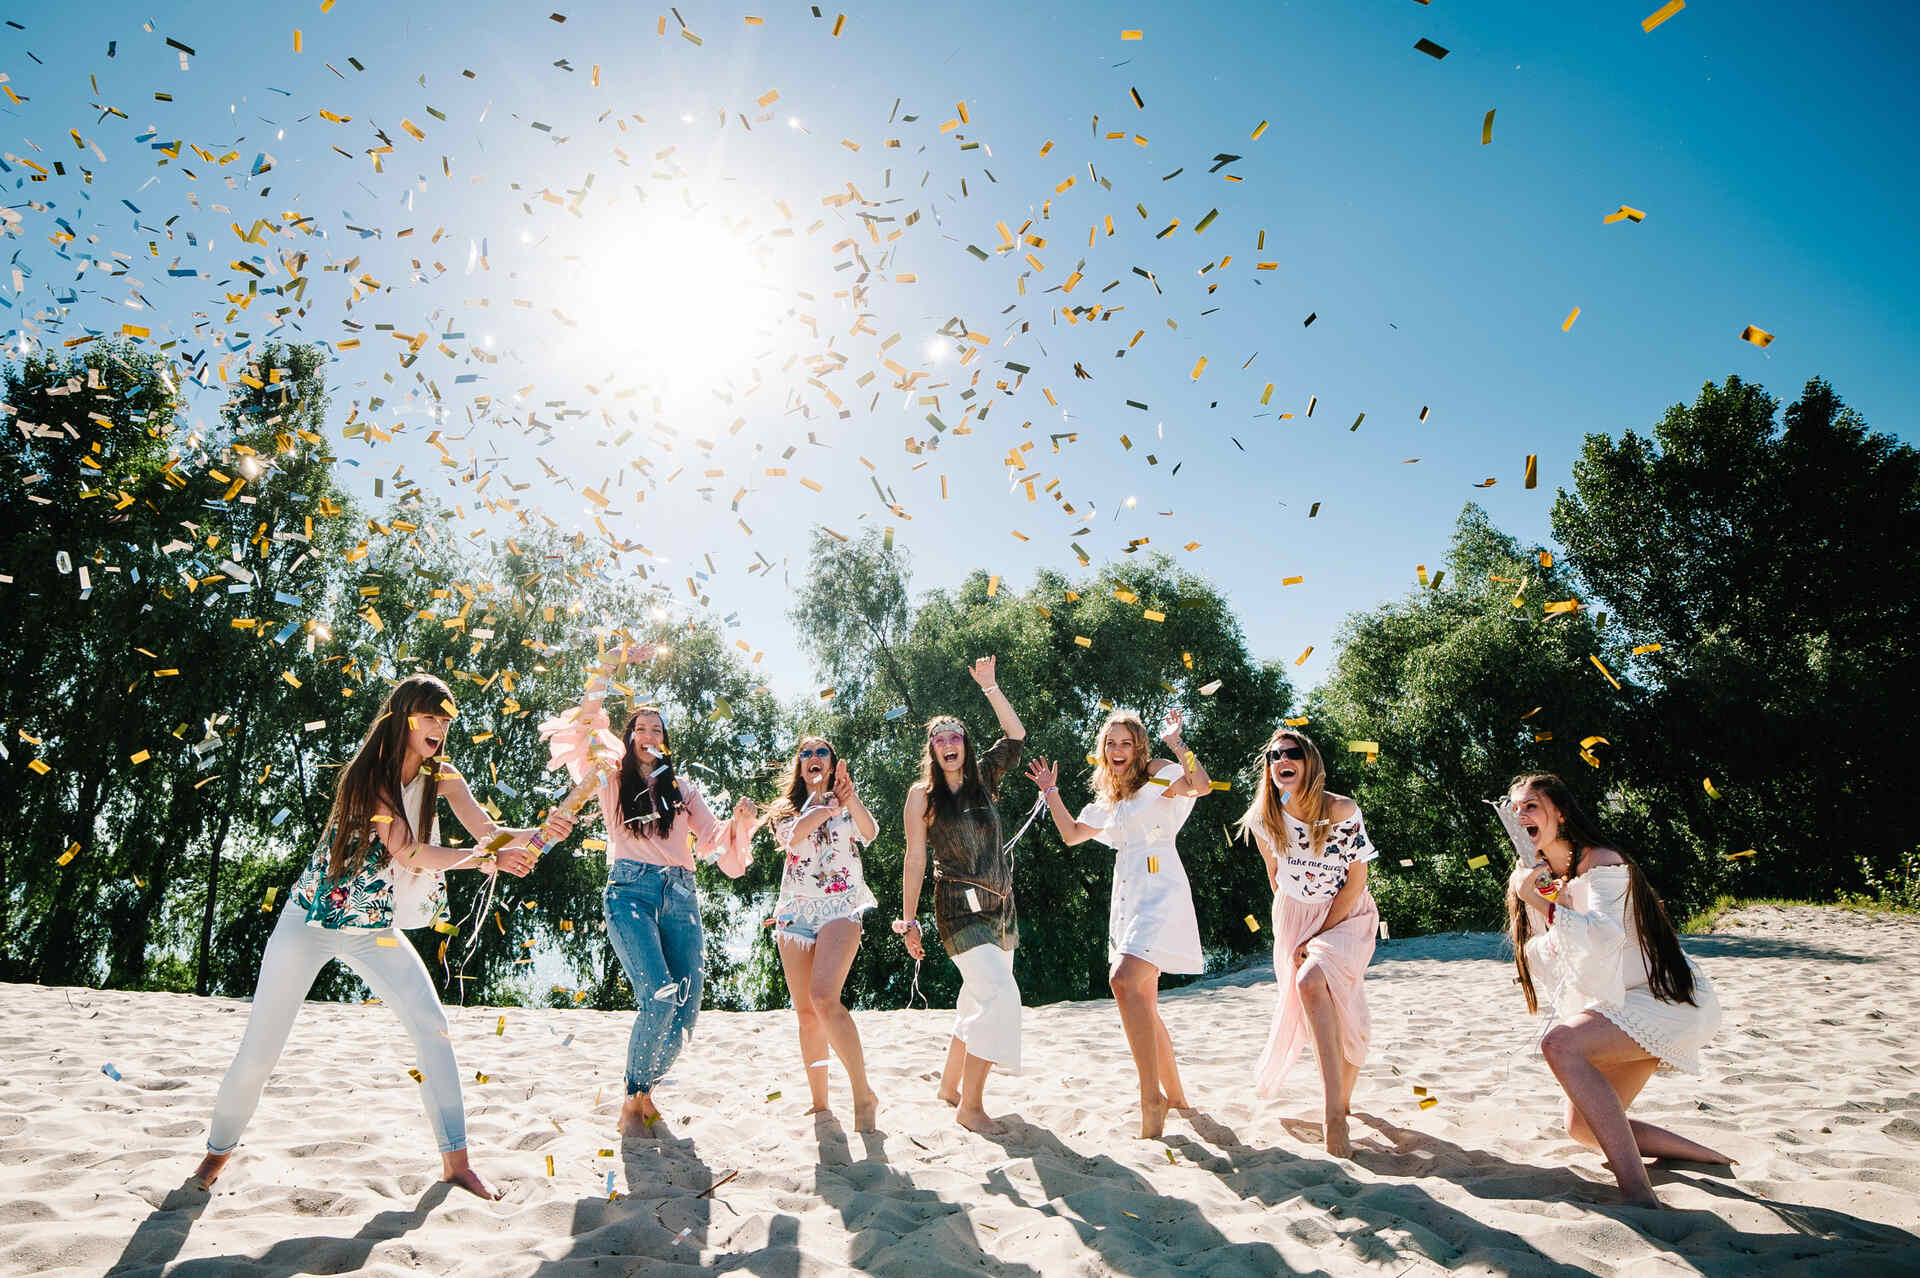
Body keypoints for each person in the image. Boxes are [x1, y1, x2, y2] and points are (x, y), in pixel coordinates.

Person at [193, 674, 569, 1198]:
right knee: (261, 1047)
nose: (439, 728)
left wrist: (539, 832)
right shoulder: (368, 775)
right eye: (429, 718)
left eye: (445, 719)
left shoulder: (445, 774)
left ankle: (456, 1163)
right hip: (310, 923)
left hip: (375, 928)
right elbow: (407, 851)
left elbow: (488, 833)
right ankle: (215, 1154)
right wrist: (487, 859)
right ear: (404, 719)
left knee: (431, 1027)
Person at [551, 643, 758, 1137]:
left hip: (682, 897)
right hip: (630, 893)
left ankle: (645, 1094)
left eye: (657, 729)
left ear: (665, 742)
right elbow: (582, 725)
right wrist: (608, 664)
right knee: (659, 996)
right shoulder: (609, 778)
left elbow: (714, 844)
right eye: (641, 727)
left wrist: (742, 823)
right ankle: (631, 1098)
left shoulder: (682, 790)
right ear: (626, 738)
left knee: (686, 1010)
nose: (649, 734)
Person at [1505, 772, 1732, 1207]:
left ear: (1562, 813)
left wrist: (1539, 902)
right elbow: (1551, 946)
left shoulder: (1602, 861)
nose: (1521, 814)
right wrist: (1536, 895)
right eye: (1514, 809)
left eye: (1531, 805)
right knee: (1581, 1128)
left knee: (1559, 1045)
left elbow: (1604, 937)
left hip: (1667, 1000)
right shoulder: (1544, 874)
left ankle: (1637, 1193)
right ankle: (1701, 1155)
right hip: (1623, 1003)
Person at [1025, 708, 1210, 1138]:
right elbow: (1071, 833)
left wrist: (1179, 744)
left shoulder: (1160, 775)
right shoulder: (1108, 802)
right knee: (1143, 999)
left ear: (1139, 747)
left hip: (1162, 892)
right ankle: (1178, 1097)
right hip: (1128, 900)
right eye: (1111, 743)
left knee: (1123, 982)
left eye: (1126, 743)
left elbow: (1199, 785)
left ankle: (1152, 1099)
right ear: (1103, 751)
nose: (1118, 750)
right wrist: (1050, 792)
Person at [895, 656, 1026, 1135]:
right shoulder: (922, 796)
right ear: (931, 749)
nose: (948, 743)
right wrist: (908, 921)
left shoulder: (986, 777)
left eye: (956, 736)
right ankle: (970, 1108)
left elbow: (1015, 736)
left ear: (966, 745)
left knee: (976, 999)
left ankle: (949, 1086)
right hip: (956, 907)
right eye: (939, 737)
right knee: (1000, 997)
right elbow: (913, 859)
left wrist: (990, 687)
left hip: (1001, 904)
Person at [1237, 726, 1378, 1157]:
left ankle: (1334, 1115)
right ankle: (1341, 1103)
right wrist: (1294, 926)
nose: (1283, 760)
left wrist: (1318, 933)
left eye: (1292, 752)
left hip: (1345, 913)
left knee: (1313, 983)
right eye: (1274, 755)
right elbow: (1274, 875)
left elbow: (1355, 882)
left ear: (1309, 760)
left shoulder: (1340, 810)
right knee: (1326, 1003)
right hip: (1294, 915)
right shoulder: (1264, 816)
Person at [762, 735, 882, 1130]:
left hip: (841, 907)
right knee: (806, 1014)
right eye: (806, 753)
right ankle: (820, 1102)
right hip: (795, 912)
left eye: (822, 752)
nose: (814, 757)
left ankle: (863, 1094)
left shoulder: (844, 802)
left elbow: (871, 832)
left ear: (832, 762)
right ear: (799, 765)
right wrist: (823, 804)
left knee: (823, 998)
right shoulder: (785, 809)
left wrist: (849, 800)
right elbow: (792, 836)